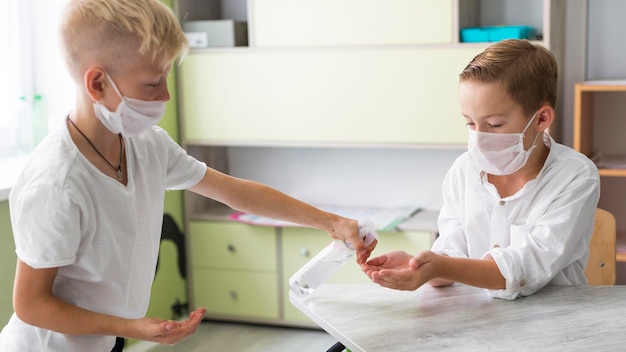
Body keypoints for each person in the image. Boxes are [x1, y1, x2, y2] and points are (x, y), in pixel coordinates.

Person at [0, 1, 376, 351]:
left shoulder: (147, 145)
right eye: (152, 83)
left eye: (166, 77)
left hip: (104, 340)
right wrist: (135, 327)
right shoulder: (56, 184)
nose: (165, 95)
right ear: (97, 84)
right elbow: (32, 305)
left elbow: (235, 192)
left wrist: (332, 222)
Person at [361, 39, 600, 300]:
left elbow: (525, 270)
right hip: (478, 320)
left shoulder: (576, 176)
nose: (479, 137)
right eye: (470, 123)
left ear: (541, 118)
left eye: (495, 124)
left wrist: (440, 266)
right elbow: (450, 258)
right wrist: (418, 266)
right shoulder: (463, 171)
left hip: (555, 323)